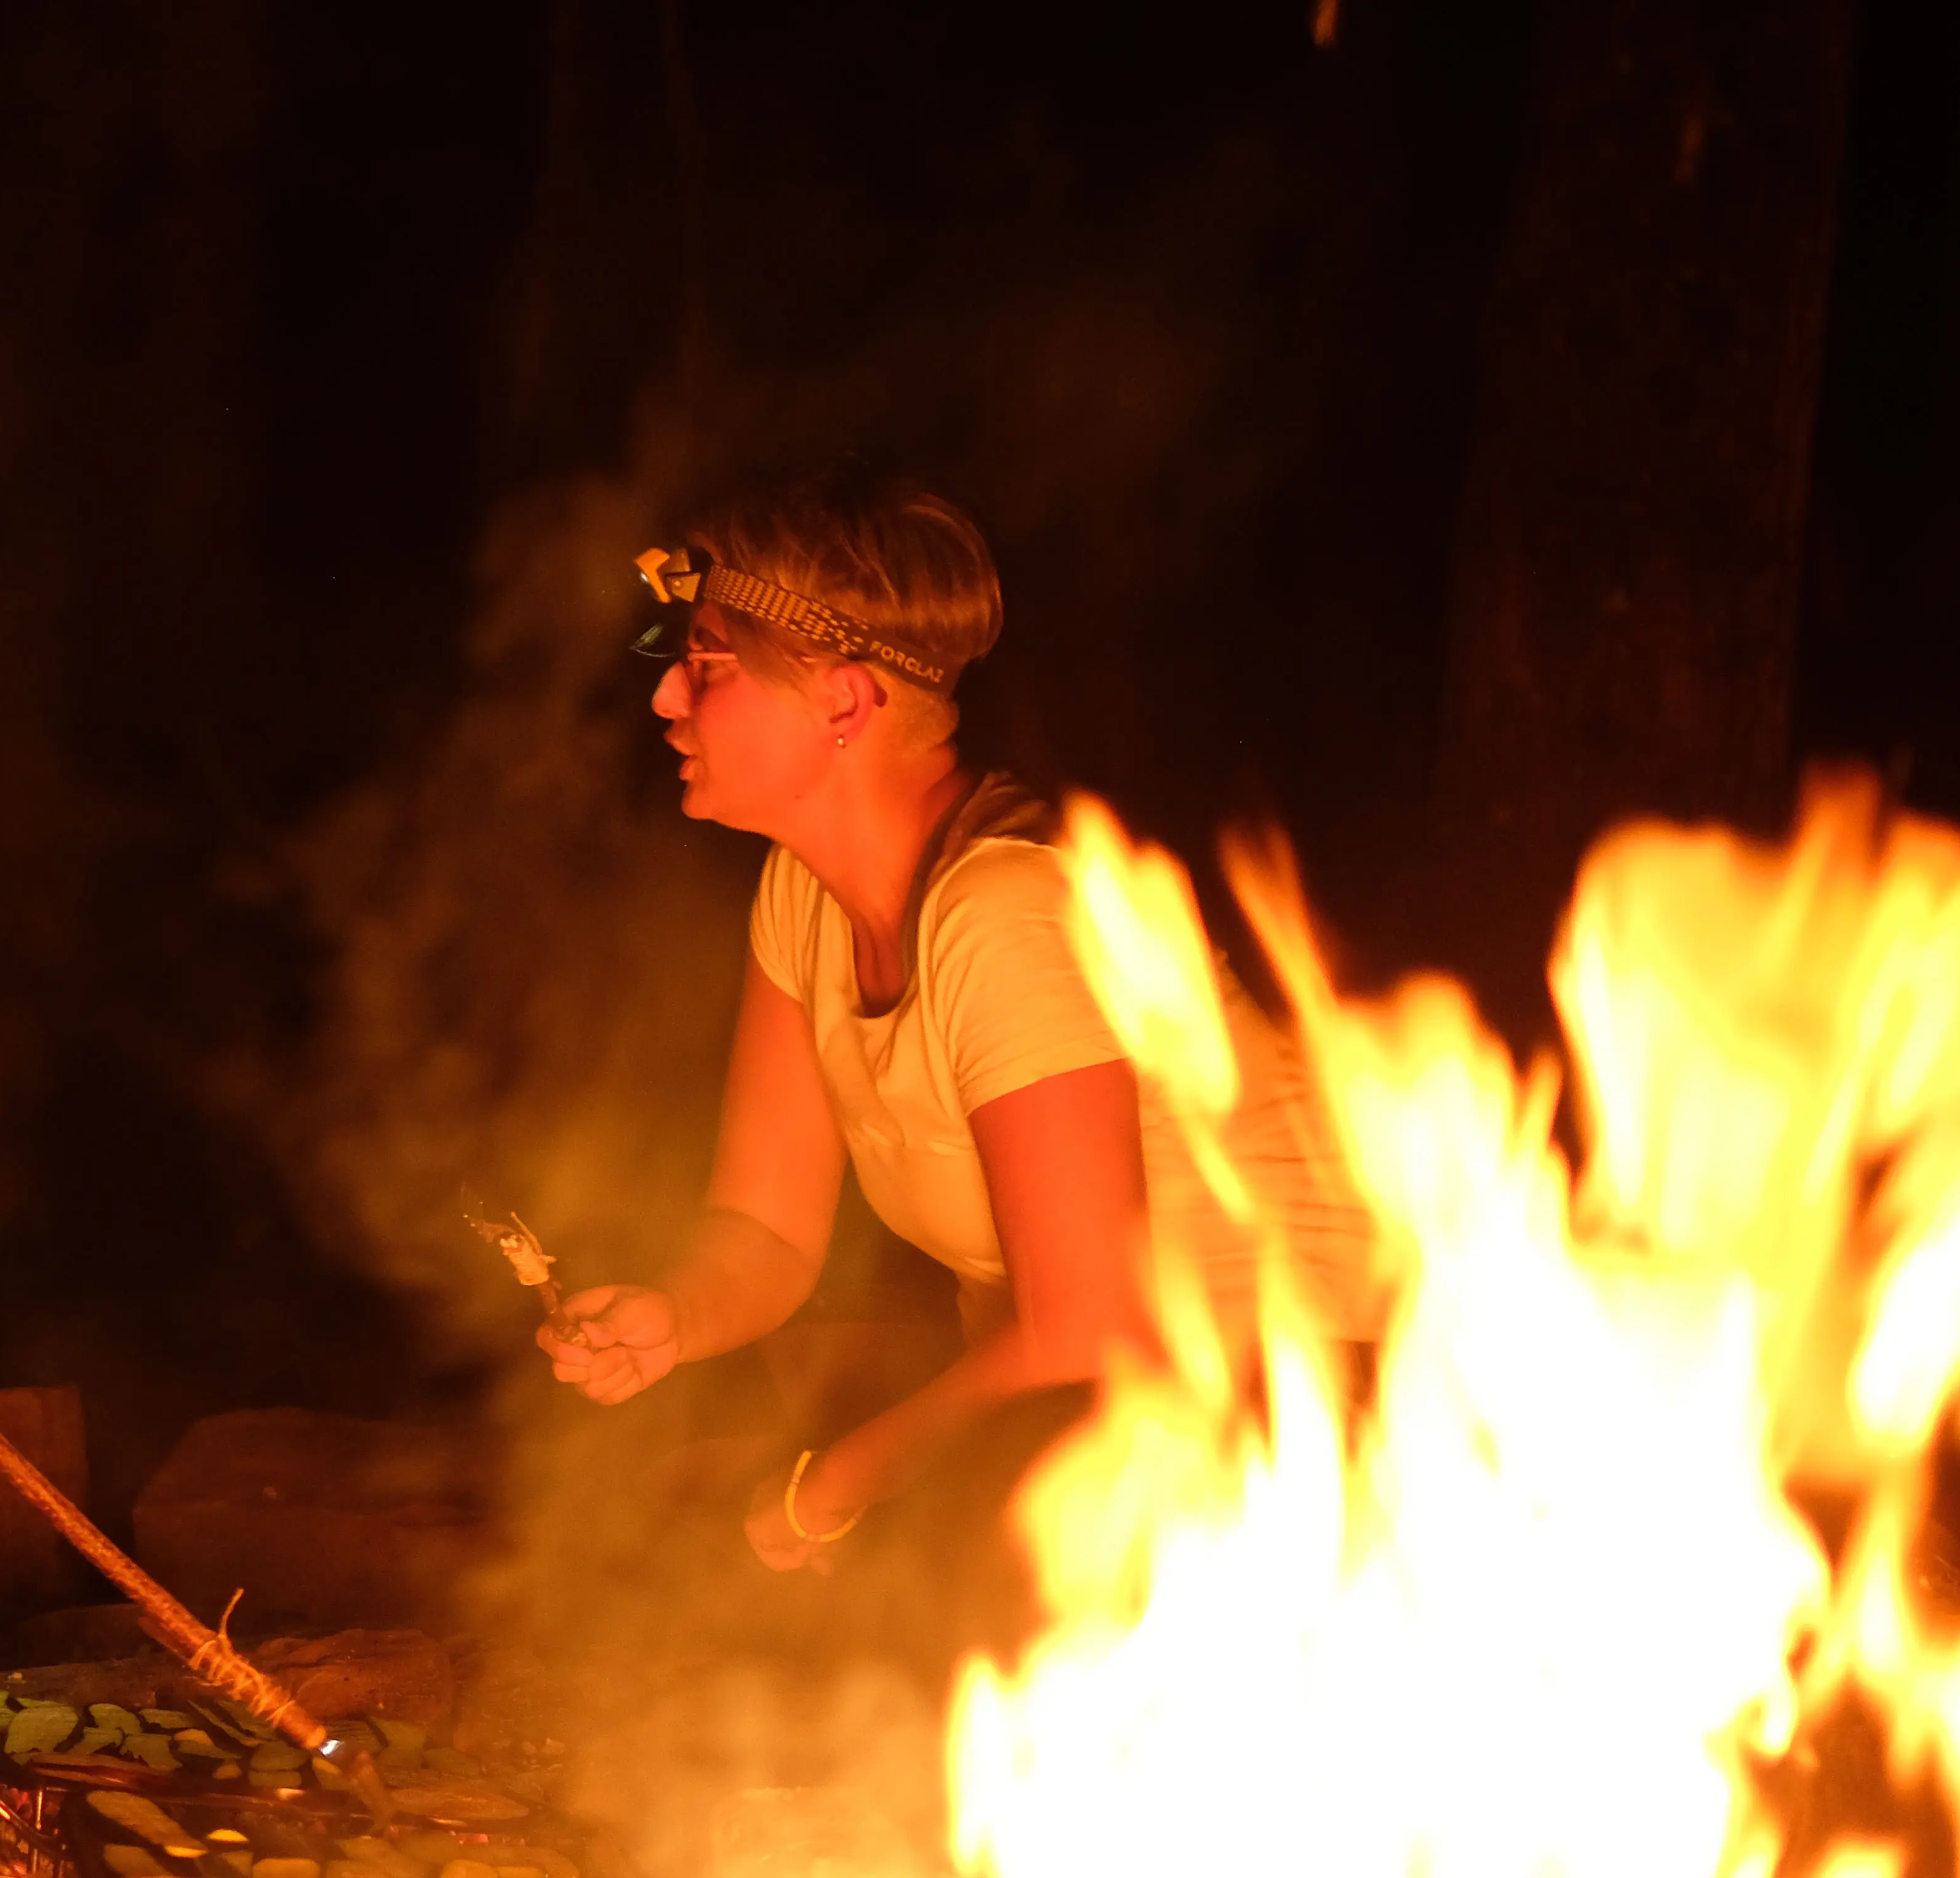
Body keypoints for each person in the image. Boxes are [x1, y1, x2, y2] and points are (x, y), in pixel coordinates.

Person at [542, 472, 1368, 1589]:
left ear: (844, 702)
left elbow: (1081, 1338)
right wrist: (675, 1316)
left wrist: (826, 1486)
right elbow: (769, 1234)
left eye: (706, 663)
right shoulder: (803, 896)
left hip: (1323, 1412)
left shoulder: (1007, 915)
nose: (665, 701)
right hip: (1124, 1424)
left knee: (869, 1587)